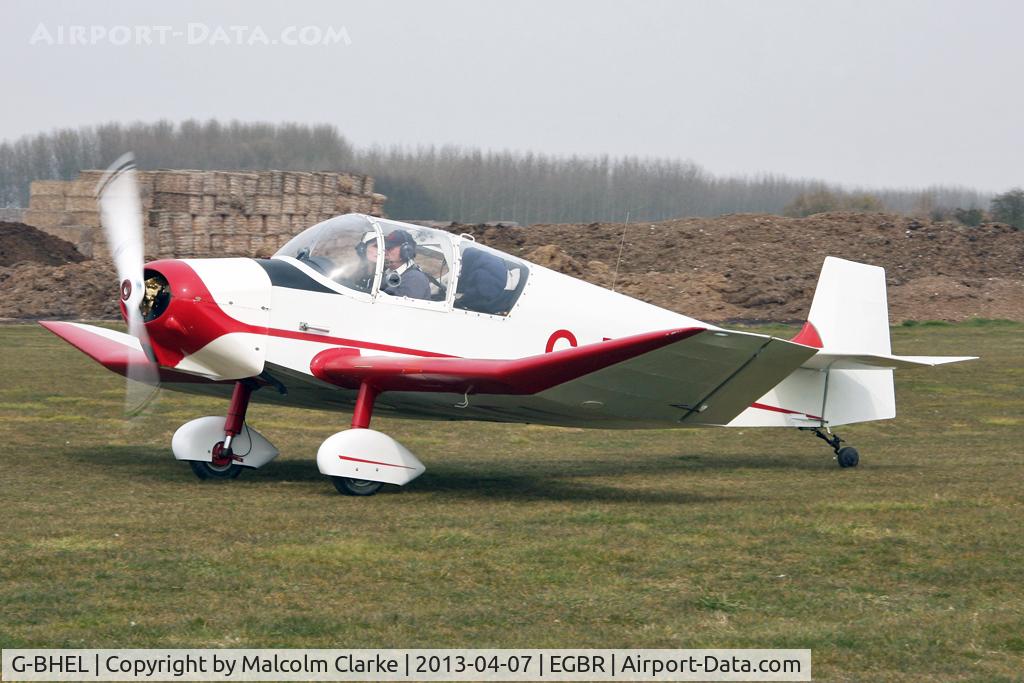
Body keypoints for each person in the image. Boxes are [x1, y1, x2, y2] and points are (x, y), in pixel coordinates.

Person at [380, 229, 430, 300]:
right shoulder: (386, 272)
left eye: (390, 248)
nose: (385, 252)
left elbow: (397, 308)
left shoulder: (415, 278)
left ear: (406, 251)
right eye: (384, 248)